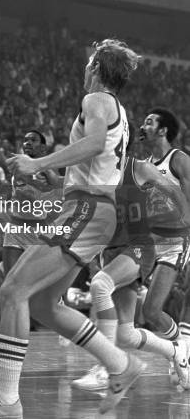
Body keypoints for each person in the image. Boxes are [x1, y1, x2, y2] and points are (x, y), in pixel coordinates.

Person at [0, 39, 140, 418]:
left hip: (86, 209)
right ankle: (120, 364)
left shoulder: (96, 100)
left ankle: (5, 400)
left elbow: (93, 144)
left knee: (12, 290)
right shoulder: (117, 108)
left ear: (95, 68)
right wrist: (51, 176)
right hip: (91, 209)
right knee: (41, 303)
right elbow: (95, 159)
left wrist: (37, 166)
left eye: (89, 62)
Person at [73, 124, 190, 391]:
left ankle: (108, 368)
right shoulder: (92, 175)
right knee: (125, 333)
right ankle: (176, 352)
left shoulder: (137, 168)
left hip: (139, 246)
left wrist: (177, 225)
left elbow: (175, 196)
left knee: (101, 285)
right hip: (112, 250)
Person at [139, 108, 190, 364]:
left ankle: (181, 353)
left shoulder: (179, 159)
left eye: (149, 122)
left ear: (163, 130)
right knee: (147, 311)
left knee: (155, 308)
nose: (143, 126)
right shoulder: (145, 166)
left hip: (176, 241)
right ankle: (180, 351)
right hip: (149, 243)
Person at [2, 129, 62, 276]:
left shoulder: (50, 167)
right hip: (15, 228)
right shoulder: (18, 163)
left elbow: (56, 186)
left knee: (42, 285)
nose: (27, 142)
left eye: (33, 140)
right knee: (10, 281)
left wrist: (42, 169)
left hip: (40, 231)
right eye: (25, 140)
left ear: (43, 148)